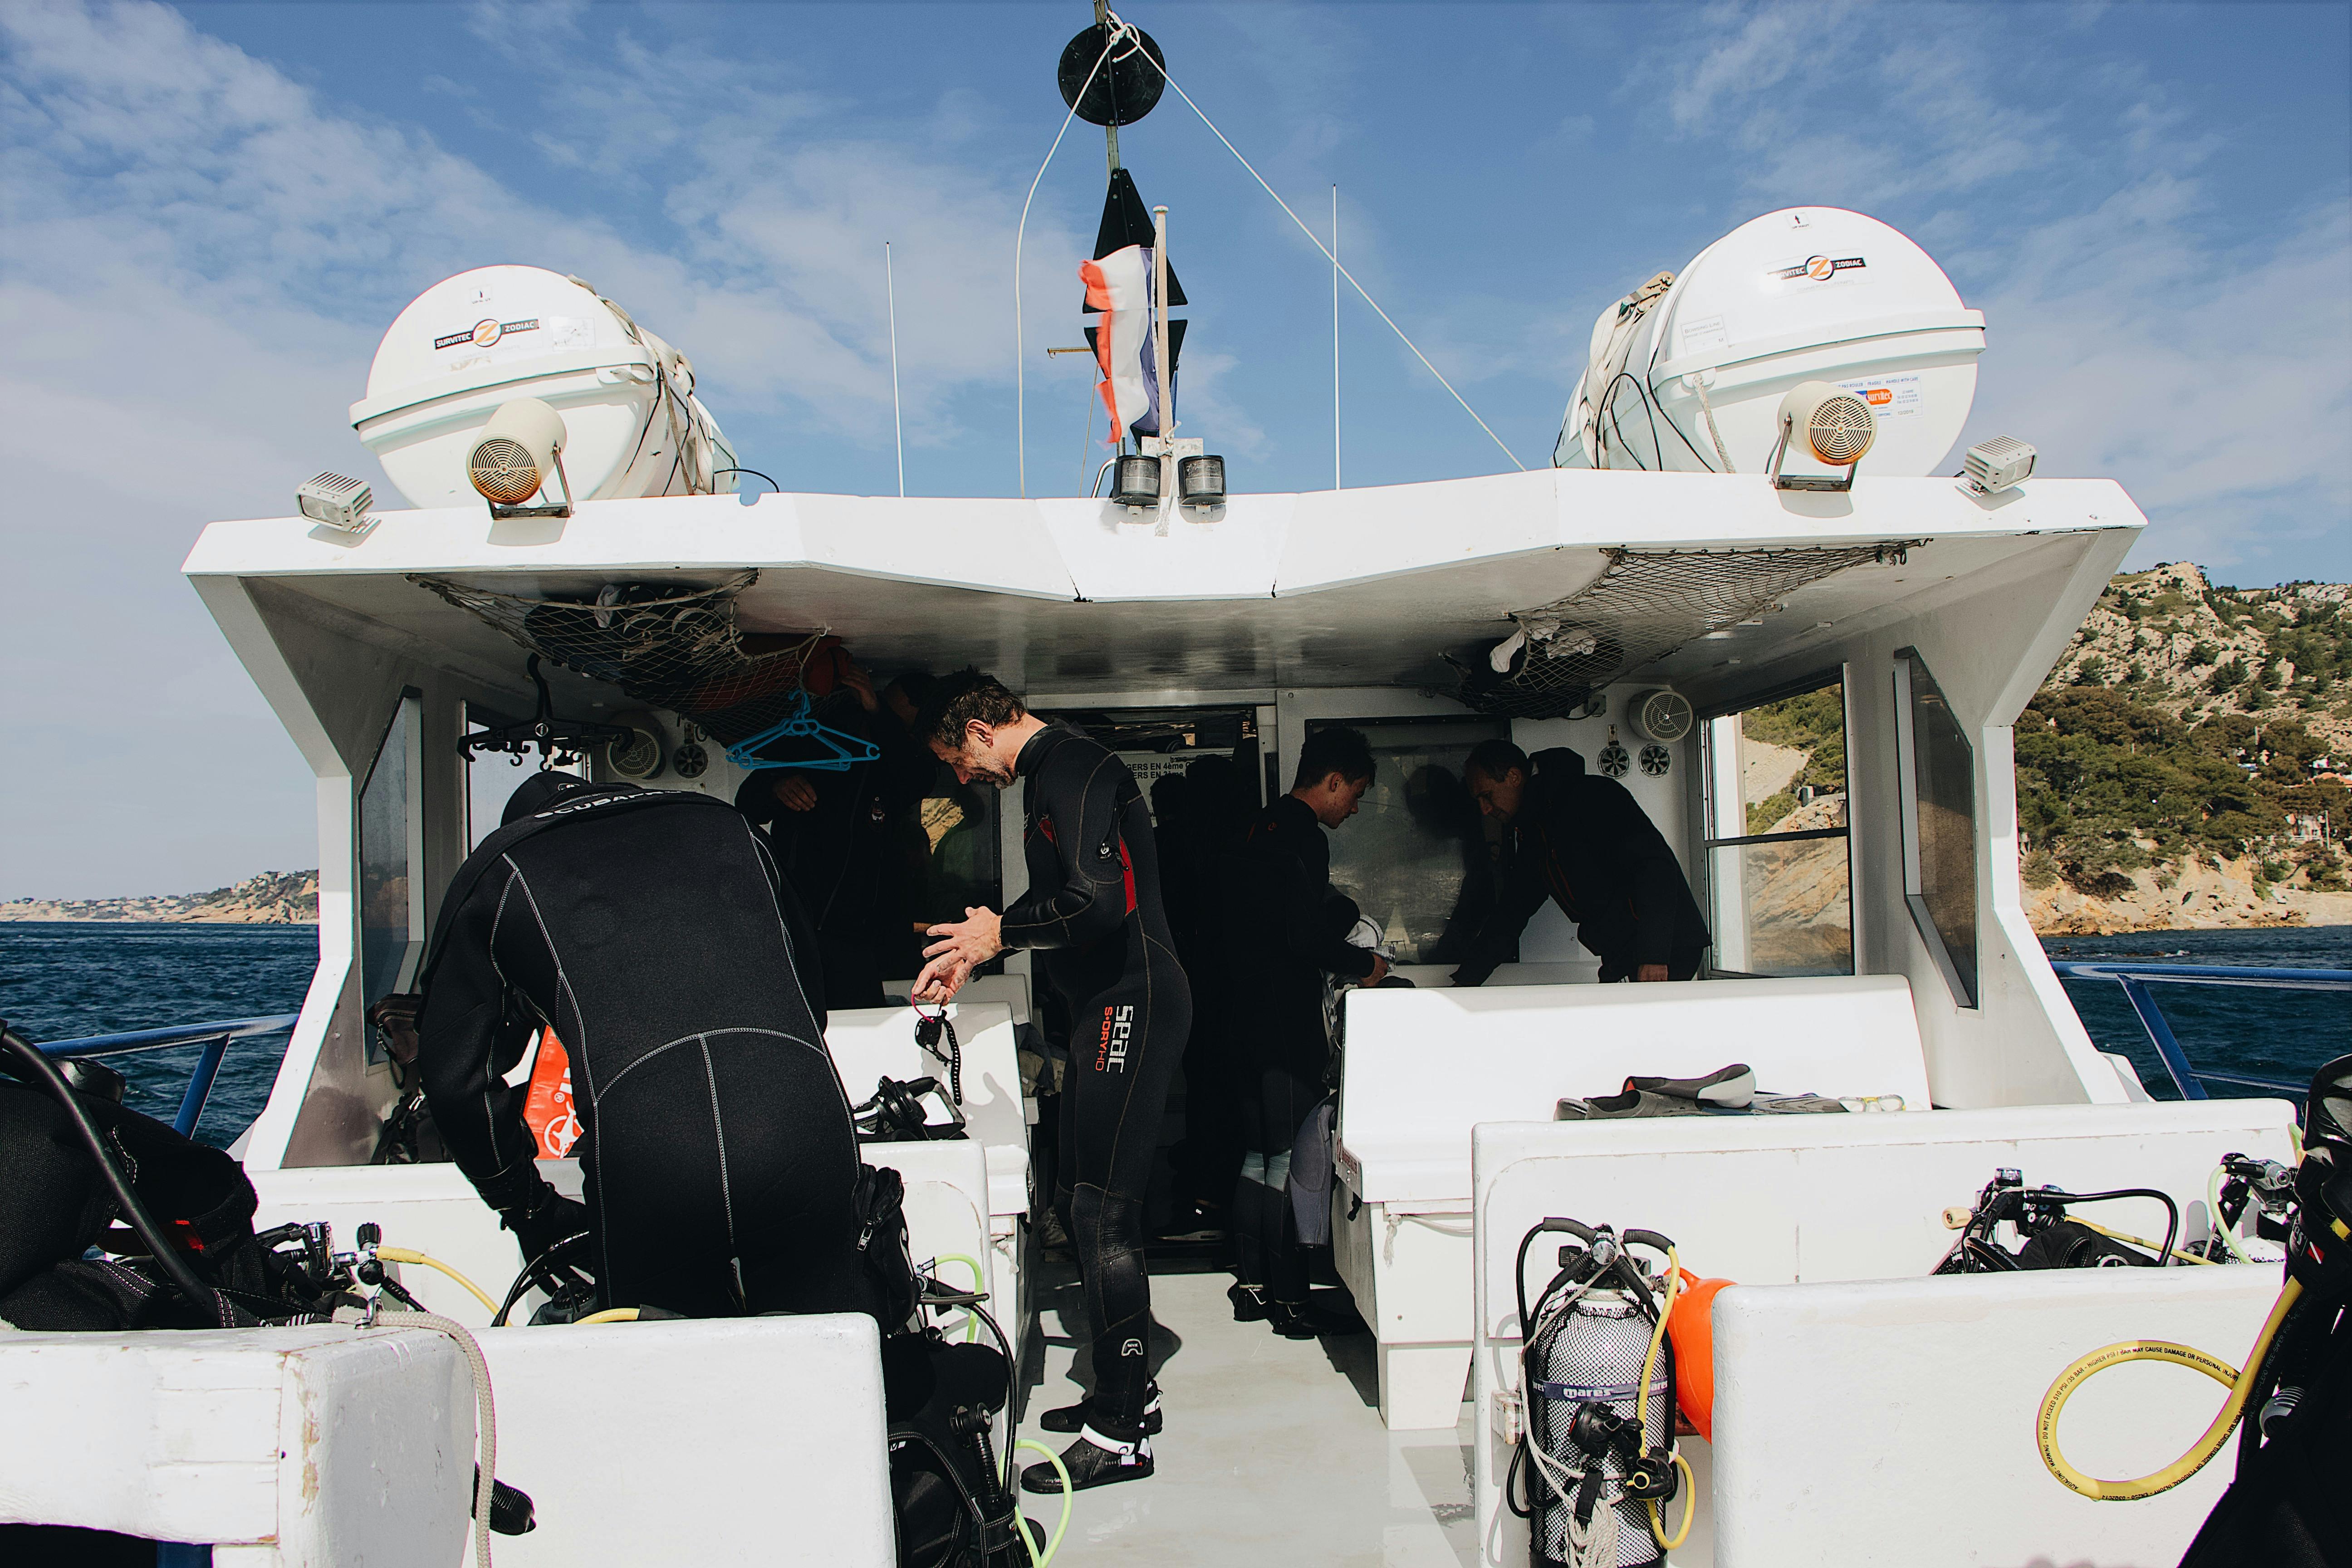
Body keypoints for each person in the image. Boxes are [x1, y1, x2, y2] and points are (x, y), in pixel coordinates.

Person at [402, 769, 879, 1322]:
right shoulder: (733, 826)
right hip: (802, 1124)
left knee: (671, 1384)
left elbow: (453, 1082)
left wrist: (526, 1206)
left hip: (651, 1159)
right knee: (828, 1364)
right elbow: (808, 999)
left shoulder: (500, 867)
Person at [909, 670, 1189, 1494]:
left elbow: (1094, 901)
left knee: (1101, 1209)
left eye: (955, 760)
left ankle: (1120, 1430)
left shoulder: (1070, 766)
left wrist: (998, 934)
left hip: (1133, 998)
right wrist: (978, 944)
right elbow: (1061, 903)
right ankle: (1122, 1388)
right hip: (1110, 1001)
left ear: (977, 727)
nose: (961, 778)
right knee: (1080, 1197)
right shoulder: (1053, 775)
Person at [1221, 726, 1383, 1337]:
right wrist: (1366, 964)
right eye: (1356, 793)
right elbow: (1304, 939)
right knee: (1289, 1156)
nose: (1356, 807)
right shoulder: (1302, 838)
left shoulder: (1251, 829)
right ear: (1333, 781)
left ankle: (1253, 1286)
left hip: (1239, 1012)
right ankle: (1292, 1301)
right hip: (1285, 1019)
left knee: (1258, 1155)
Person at [734, 662, 932, 1009]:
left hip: (858, 933)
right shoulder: (813, 740)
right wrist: (777, 787)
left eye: (892, 717)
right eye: (874, 706)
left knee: (863, 1028)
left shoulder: (902, 768)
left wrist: (878, 712)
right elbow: (747, 804)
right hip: (792, 923)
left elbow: (915, 777)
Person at [1452, 739, 1710, 985]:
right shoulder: (1537, 831)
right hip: (1625, 949)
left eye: (1487, 796)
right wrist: (1466, 980)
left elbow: (1655, 868)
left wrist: (1654, 955)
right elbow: (1512, 912)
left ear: (1514, 778)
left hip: (1666, 947)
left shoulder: (1593, 797)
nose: (1485, 810)